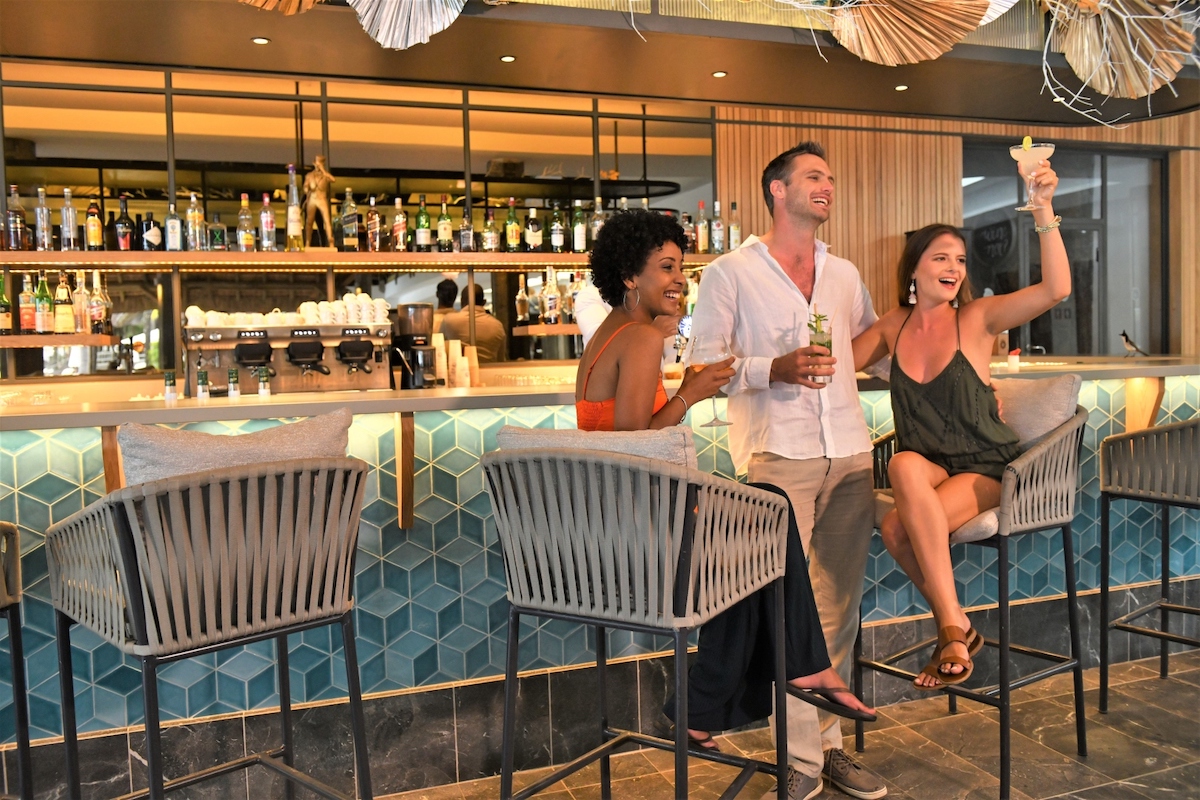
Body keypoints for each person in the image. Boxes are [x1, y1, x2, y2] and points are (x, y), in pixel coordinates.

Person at [577, 209, 874, 767]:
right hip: (640, 525)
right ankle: (799, 670)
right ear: (629, 276)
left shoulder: (609, 336)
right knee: (769, 519)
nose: (679, 280)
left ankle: (709, 705)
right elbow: (634, 446)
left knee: (759, 540)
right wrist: (690, 395)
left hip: (612, 522)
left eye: (681, 268)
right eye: (666, 267)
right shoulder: (639, 338)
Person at [690, 141, 887, 800]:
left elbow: (867, 351)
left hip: (851, 452)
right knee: (786, 614)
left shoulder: (844, 273)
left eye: (830, 177)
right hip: (777, 456)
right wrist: (770, 369)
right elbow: (701, 369)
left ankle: (826, 749)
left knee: (837, 612)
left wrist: (946, 365)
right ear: (777, 189)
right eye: (813, 176)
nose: (827, 185)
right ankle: (799, 758)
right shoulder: (730, 273)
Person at [852, 161, 1068, 691]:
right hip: (928, 467)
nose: (954, 268)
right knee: (902, 464)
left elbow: (1056, 289)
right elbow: (833, 366)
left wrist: (1043, 208)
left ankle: (950, 629)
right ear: (913, 269)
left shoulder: (976, 319)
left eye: (960, 260)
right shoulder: (892, 326)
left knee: (896, 528)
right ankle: (957, 627)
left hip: (985, 467)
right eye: (941, 257)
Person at [439, 284, 507, 363]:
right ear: (484, 302)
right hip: (489, 370)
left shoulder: (449, 321)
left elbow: (440, 352)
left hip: (459, 369)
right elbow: (501, 360)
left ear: (461, 300)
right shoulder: (497, 325)